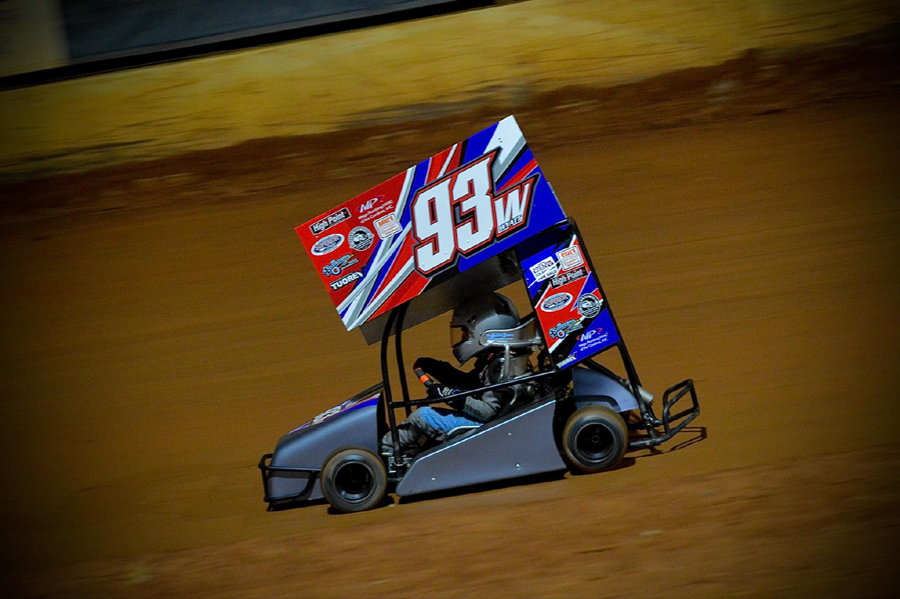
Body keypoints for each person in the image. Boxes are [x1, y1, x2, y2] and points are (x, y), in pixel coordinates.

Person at [381, 292, 539, 458]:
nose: (462, 336)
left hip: (494, 428)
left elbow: (488, 412)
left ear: (481, 329)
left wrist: (456, 398)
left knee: (422, 417)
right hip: (499, 425)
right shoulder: (499, 359)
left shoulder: (501, 365)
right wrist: (441, 371)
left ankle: (384, 452)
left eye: (464, 330)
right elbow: (471, 383)